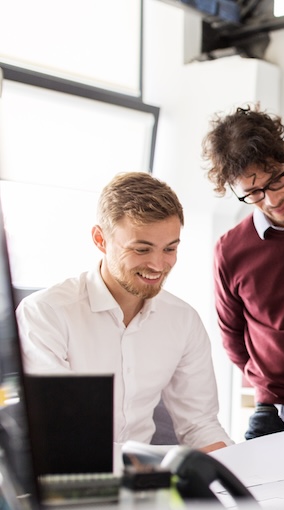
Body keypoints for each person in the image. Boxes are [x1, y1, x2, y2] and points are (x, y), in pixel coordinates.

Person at [16, 172, 232, 451]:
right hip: (68, 477)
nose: (158, 265)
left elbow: (199, 424)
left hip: (143, 482)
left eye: (170, 248)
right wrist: (155, 465)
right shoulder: (46, 314)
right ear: (100, 239)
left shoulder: (183, 320)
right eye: (142, 249)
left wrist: (236, 472)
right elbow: (61, 432)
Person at [202, 105, 284, 447]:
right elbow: (233, 337)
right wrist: (263, 382)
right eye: (254, 193)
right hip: (272, 407)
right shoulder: (230, 250)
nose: (273, 199)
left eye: (276, 179)